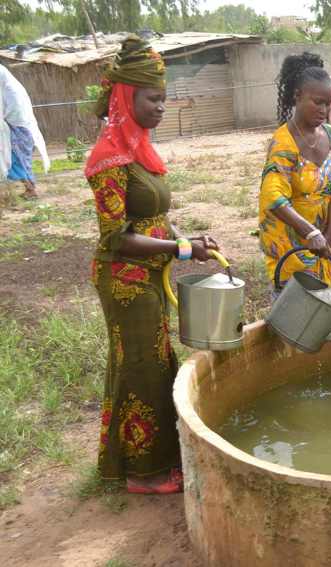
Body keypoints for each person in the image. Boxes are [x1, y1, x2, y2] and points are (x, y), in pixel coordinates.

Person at [85, 37, 221, 493]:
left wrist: (186, 238)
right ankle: (146, 474)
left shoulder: (139, 150)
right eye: (153, 98)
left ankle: (134, 461)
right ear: (126, 97)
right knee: (142, 367)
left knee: (147, 362)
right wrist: (180, 251)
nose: (162, 107)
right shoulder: (108, 159)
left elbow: (156, 217)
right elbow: (116, 237)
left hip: (147, 276)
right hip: (124, 280)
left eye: (164, 98)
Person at [258, 53, 331, 289]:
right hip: (293, 244)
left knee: (329, 309)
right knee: (297, 314)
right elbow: (274, 197)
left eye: (327, 103)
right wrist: (310, 233)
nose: (323, 110)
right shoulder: (283, 143)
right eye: (317, 102)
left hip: (324, 242)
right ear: (297, 96)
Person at [1, 64, 49, 199]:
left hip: (17, 128)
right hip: (17, 127)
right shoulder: (9, 88)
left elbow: (11, 111)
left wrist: (4, 118)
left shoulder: (11, 90)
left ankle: (30, 189)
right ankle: (28, 188)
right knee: (16, 159)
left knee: (17, 159)